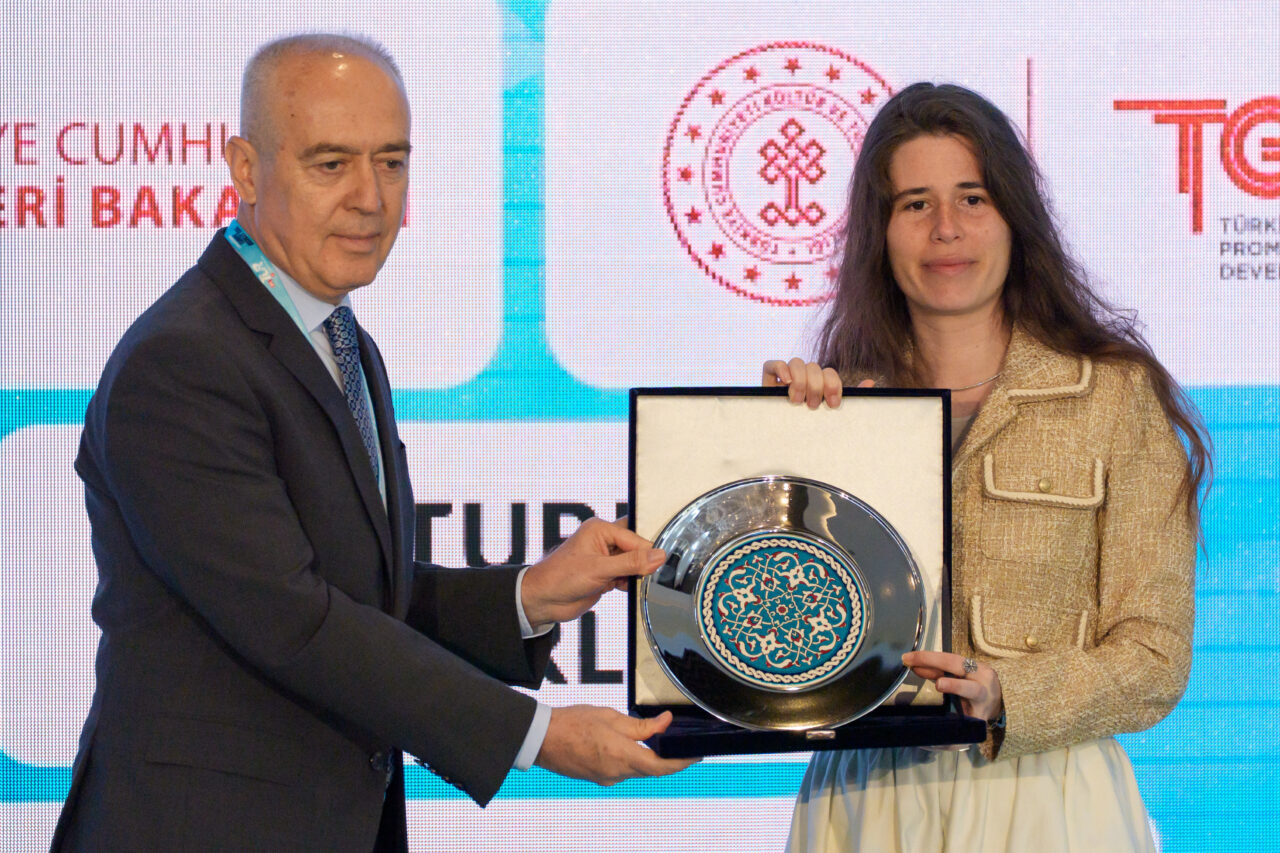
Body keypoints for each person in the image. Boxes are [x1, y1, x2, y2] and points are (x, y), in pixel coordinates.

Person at [51, 33, 692, 853]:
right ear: (245, 169)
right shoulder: (183, 362)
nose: (370, 198)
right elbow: (296, 620)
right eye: (330, 164)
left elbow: (356, 593)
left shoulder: (339, 340)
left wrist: (529, 596)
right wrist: (538, 734)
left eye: (392, 162)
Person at [763, 83, 1209, 852]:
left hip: (1050, 793)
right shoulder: (834, 409)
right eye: (915, 204)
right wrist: (760, 448)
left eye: (973, 198)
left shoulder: (1112, 395)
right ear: (880, 232)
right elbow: (772, 631)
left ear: (1014, 217)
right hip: (867, 797)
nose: (947, 228)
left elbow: (1154, 659)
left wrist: (1008, 694)